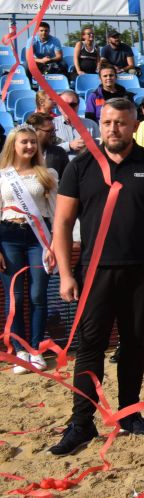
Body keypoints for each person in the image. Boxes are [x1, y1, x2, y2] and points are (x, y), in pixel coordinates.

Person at [48, 98, 144, 455]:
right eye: (107, 122)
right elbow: (62, 223)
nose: (112, 129)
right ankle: (81, 423)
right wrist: (65, 274)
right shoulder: (81, 166)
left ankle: (129, 413)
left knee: (134, 344)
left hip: (143, 272)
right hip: (95, 273)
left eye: (120, 123)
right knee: (90, 346)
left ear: (134, 125)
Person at [0, 126, 57, 373]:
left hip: (38, 238)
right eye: (24, 142)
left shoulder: (47, 174)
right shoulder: (2, 175)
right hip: (7, 236)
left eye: (33, 142)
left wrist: (53, 244)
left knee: (37, 295)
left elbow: (56, 213)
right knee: (15, 296)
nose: (30, 146)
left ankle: (36, 349)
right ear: (13, 145)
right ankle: (20, 350)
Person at [51, 91, 97, 158]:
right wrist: (69, 146)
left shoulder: (91, 125)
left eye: (72, 105)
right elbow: (46, 151)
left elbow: (101, 148)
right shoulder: (51, 124)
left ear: (78, 105)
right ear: (59, 107)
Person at [27, 112, 69, 178]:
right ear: (35, 131)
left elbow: (66, 180)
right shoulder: (23, 155)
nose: (54, 134)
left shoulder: (59, 153)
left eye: (54, 130)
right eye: (49, 131)